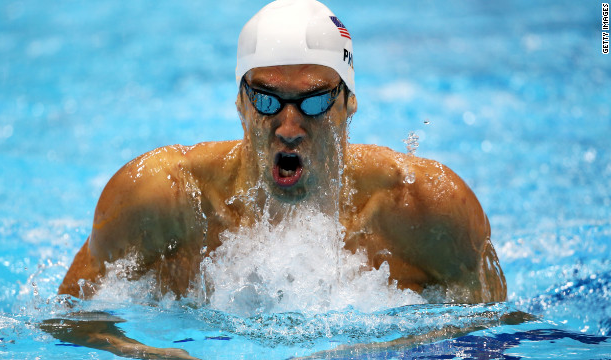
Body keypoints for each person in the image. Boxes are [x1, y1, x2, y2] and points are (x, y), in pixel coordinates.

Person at [59, 0, 506, 307]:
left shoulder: (428, 209)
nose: (289, 129)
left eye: (314, 102)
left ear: (349, 102)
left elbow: (495, 338)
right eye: (267, 100)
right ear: (239, 102)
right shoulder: (162, 199)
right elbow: (69, 326)